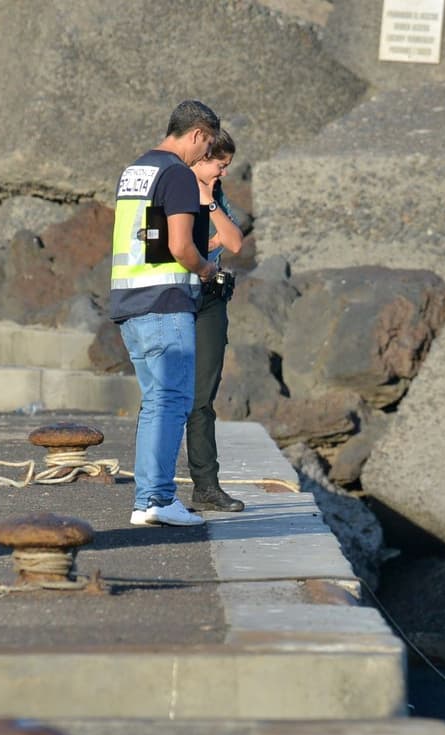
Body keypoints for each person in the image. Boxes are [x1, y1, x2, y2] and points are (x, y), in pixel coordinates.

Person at [110, 101, 222, 527]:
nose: (205, 155)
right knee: (172, 400)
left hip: (130, 302)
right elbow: (178, 245)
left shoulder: (135, 170)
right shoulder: (177, 174)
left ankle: (147, 501)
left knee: (155, 402)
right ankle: (157, 498)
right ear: (197, 134)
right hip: (165, 303)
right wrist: (206, 270)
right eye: (207, 145)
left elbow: (148, 236)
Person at [184, 129, 248, 513]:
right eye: (219, 165)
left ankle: (206, 486)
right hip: (175, 297)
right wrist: (205, 245)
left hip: (209, 300)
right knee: (163, 399)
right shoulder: (172, 186)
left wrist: (209, 201)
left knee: (202, 398)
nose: (223, 172)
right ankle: (153, 488)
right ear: (201, 156)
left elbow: (234, 241)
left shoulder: (216, 194)